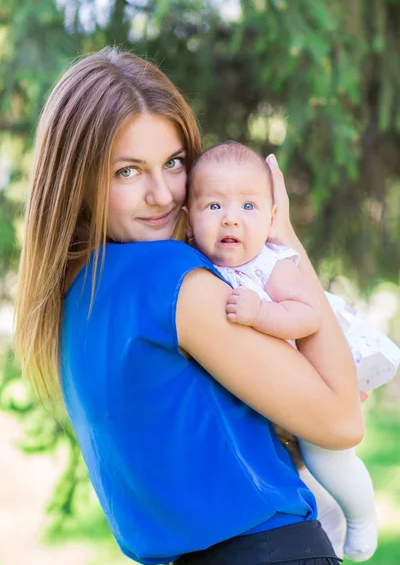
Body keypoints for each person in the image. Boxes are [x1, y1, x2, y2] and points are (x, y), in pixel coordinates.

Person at [14, 48, 365, 565]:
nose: (163, 195)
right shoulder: (169, 278)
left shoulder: (74, 295)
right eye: (128, 172)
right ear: (76, 178)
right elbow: (342, 421)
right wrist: (281, 237)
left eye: (174, 163)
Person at [182, 140, 398, 562]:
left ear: (271, 217)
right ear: (188, 220)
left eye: (248, 206)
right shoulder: (197, 267)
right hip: (273, 389)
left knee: (325, 454)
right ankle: (329, 526)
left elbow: (308, 316)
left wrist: (260, 312)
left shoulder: (271, 263)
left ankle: (362, 515)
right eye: (213, 207)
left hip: (314, 375)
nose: (231, 218)